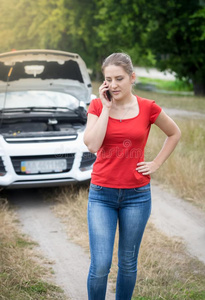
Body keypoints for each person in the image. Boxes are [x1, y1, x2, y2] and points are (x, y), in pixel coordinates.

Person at [83, 52, 181, 300]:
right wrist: (106, 108)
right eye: (108, 79)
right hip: (101, 194)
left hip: (136, 196)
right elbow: (92, 145)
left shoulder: (148, 107)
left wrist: (156, 163)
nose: (114, 85)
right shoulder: (97, 106)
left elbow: (174, 133)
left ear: (132, 77)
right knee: (101, 264)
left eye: (119, 78)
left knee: (127, 263)